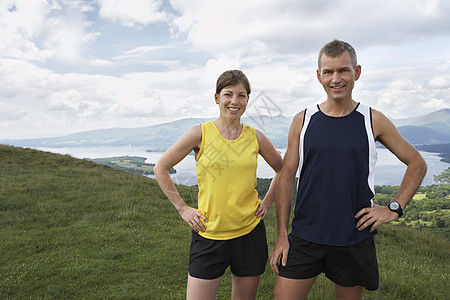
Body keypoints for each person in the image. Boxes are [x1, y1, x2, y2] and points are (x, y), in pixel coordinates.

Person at [269, 40, 427, 300]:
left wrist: (394, 208)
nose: (336, 79)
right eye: (329, 72)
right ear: (319, 76)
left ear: (357, 72)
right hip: (305, 236)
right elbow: (286, 176)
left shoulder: (373, 120)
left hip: (354, 236)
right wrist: (282, 235)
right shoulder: (303, 120)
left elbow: (417, 163)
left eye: (343, 70)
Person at [154, 70, 282, 300]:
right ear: (217, 98)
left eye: (241, 95)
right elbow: (160, 168)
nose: (234, 101)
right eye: (228, 94)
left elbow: (282, 170)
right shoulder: (199, 134)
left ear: (247, 100)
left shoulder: (256, 137)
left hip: (250, 233)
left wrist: (269, 200)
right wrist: (183, 208)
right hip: (209, 233)